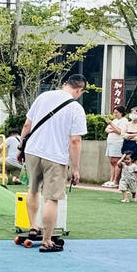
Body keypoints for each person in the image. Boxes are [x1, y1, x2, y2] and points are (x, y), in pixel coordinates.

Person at [20, 74, 87, 252]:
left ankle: (33, 226)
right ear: (79, 89)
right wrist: (76, 168)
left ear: (65, 84)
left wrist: (20, 146)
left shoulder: (43, 97)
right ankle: (47, 241)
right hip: (55, 156)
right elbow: (75, 141)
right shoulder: (76, 109)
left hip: (32, 151)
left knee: (33, 190)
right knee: (52, 198)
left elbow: (27, 125)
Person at [102, 105, 128, 187]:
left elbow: (120, 131)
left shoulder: (124, 121)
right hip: (111, 142)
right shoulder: (115, 120)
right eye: (114, 112)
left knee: (117, 161)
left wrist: (111, 126)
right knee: (112, 162)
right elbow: (107, 129)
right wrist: (113, 128)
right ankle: (111, 179)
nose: (115, 114)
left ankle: (115, 181)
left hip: (118, 142)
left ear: (121, 113)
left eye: (116, 112)